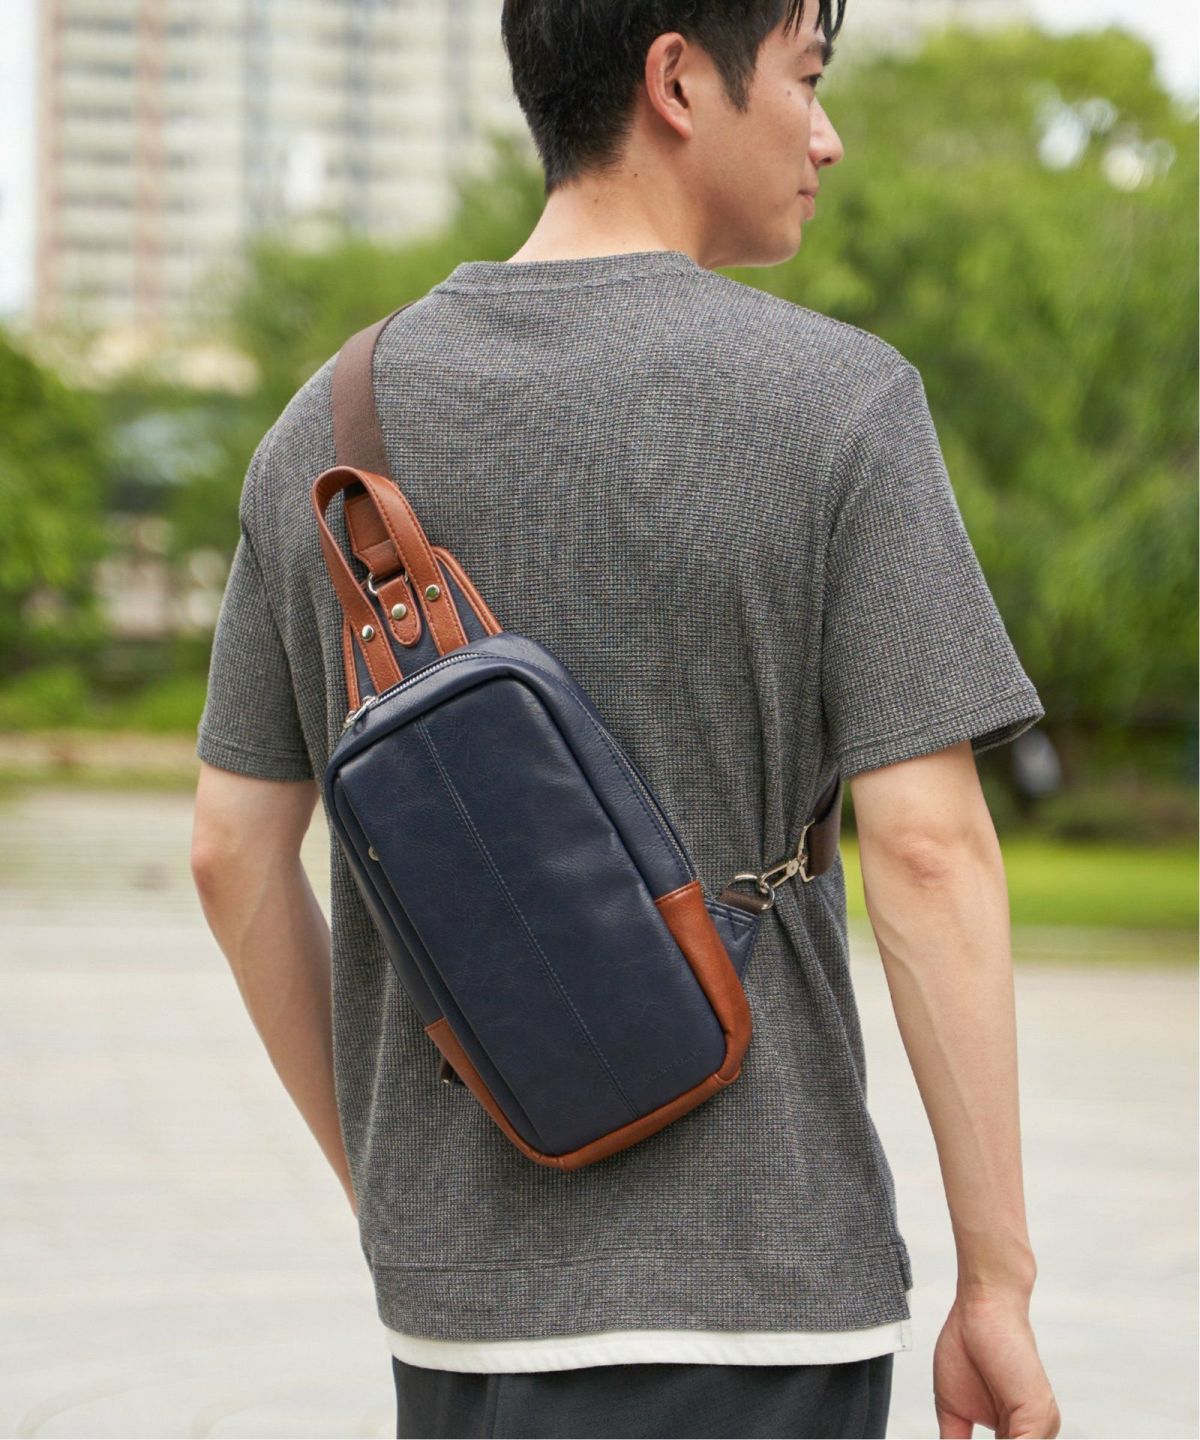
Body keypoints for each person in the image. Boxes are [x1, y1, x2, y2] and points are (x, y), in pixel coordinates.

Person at [190, 0, 1063, 1436]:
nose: (828, 138)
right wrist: (998, 1286)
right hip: (767, 1296)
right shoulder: (844, 405)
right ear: (677, 79)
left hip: (463, 1330)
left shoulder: (326, 428)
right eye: (808, 80)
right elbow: (928, 854)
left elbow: (232, 854)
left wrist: (401, 1193)